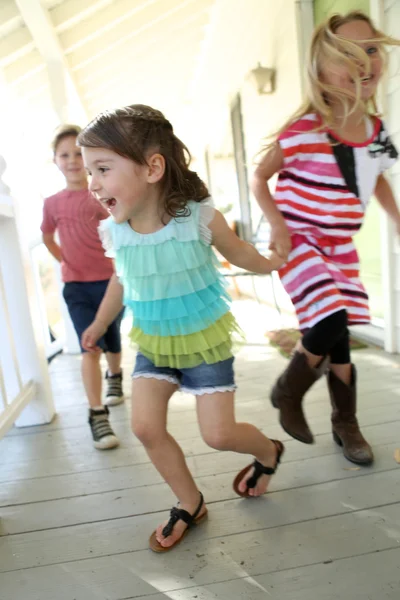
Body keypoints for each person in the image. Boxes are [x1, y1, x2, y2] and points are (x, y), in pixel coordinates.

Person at [78, 104, 285, 552]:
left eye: (102, 168)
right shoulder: (116, 231)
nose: (92, 183)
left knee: (218, 435)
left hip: (205, 342)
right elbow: (121, 280)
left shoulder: (198, 218)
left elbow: (240, 251)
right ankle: (190, 502)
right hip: (154, 345)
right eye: (88, 170)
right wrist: (98, 323)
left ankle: (268, 450)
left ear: (152, 167)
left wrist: (271, 263)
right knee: (146, 427)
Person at [252, 11, 400, 466]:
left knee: (340, 336)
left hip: (340, 248)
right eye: (349, 53)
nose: (364, 61)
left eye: (372, 49)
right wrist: (277, 225)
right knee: (332, 317)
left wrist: (396, 218)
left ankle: (345, 423)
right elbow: (260, 177)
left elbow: (374, 178)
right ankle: (288, 390)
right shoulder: (303, 131)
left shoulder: (376, 133)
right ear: (321, 70)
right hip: (300, 242)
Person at [41, 124, 124, 450]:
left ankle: (115, 378)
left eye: (78, 153)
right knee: (90, 345)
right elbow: (47, 236)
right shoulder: (52, 203)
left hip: (110, 281)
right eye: (65, 154)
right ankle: (96, 412)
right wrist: (65, 260)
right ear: (55, 161)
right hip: (75, 285)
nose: (73, 160)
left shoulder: (102, 194)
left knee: (112, 338)